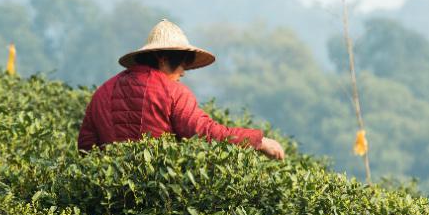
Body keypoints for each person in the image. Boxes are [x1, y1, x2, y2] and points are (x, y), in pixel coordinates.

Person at [78, 19, 286, 160]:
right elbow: (204, 132)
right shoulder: (173, 92)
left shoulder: (102, 92)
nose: (184, 72)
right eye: (183, 64)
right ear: (163, 58)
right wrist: (258, 141)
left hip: (108, 196)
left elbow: (86, 148)